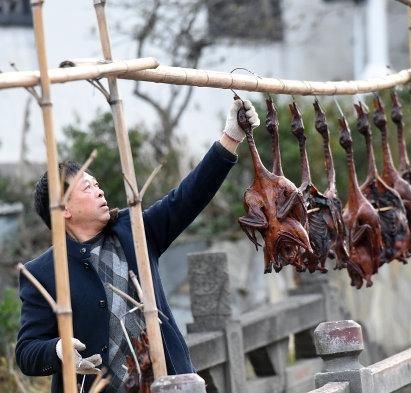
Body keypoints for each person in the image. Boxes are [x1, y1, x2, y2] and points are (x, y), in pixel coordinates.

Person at [15, 99, 259, 393]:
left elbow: (187, 197)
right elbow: (26, 353)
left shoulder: (134, 231)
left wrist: (230, 137)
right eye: (87, 187)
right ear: (62, 209)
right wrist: (58, 349)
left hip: (166, 383)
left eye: (96, 183)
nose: (99, 190)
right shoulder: (41, 273)